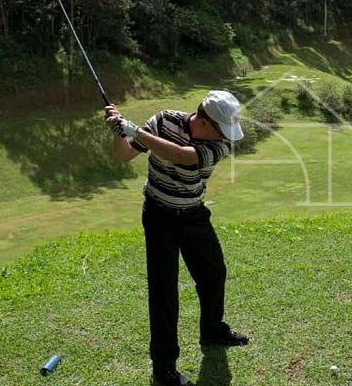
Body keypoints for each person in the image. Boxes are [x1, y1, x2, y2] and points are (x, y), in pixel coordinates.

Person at [105, 90, 249, 386]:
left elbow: (181, 156)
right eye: (223, 128)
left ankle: (212, 330)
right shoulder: (165, 121)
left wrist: (136, 131)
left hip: (193, 214)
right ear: (206, 121)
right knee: (163, 291)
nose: (227, 135)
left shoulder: (219, 145)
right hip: (159, 216)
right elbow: (123, 156)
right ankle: (164, 368)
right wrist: (119, 131)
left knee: (213, 273)